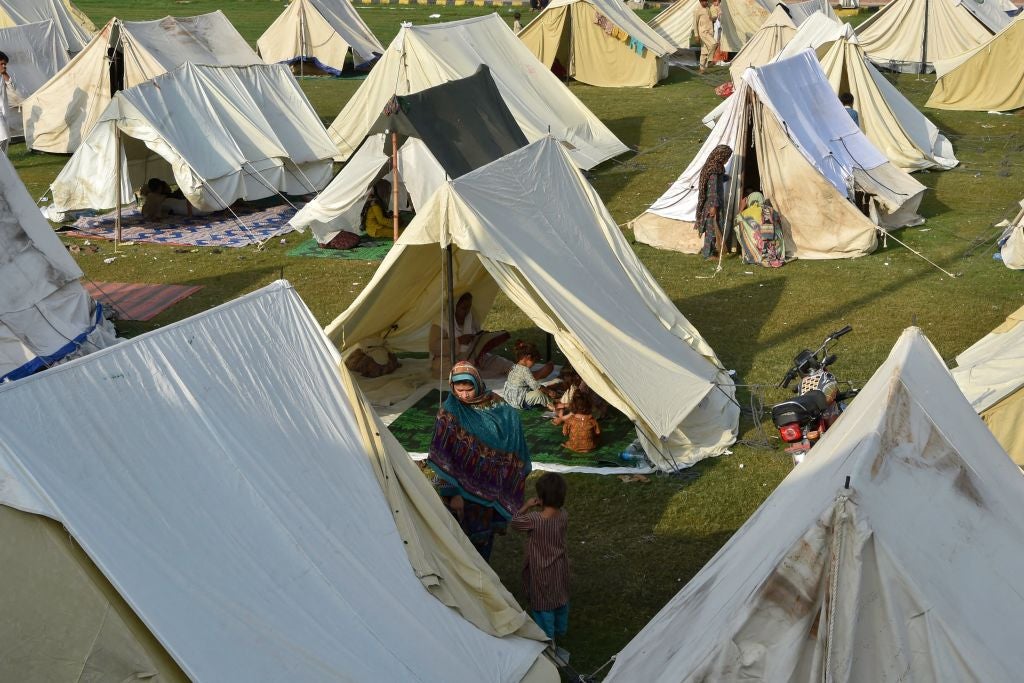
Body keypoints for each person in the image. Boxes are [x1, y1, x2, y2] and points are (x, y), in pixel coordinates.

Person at [428, 361, 532, 561]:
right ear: (452, 387)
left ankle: (483, 580)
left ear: (478, 384)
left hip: (489, 488)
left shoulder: (495, 404)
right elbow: (442, 457)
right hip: (458, 492)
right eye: (460, 390)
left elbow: (510, 419)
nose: (465, 395)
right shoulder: (449, 412)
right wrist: (452, 493)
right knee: (459, 540)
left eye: (469, 389)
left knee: (483, 539)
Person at [511, 472, 569, 641]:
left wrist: (527, 506)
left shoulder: (534, 519)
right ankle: (560, 630)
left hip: (541, 570)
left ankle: (546, 639)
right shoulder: (564, 515)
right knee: (560, 599)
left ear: (541, 498)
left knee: (543, 605)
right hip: (560, 567)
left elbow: (515, 522)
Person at [429, 292, 513, 377]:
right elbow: (434, 346)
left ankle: (514, 370)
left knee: (500, 362)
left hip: (472, 355)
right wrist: (459, 341)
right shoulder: (441, 321)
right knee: (451, 369)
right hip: (449, 359)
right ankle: (477, 374)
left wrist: (481, 339)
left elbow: (477, 336)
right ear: (454, 307)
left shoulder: (470, 316)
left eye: (469, 307)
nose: (467, 311)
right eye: (463, 308)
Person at [695, 144, 732, 258]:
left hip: (713, 203)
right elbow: (713, 189)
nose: (726, 160)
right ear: (721, 156)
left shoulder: (714, 167)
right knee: (711, 229)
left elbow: (718, 180)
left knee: (712, 228)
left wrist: (727, 177)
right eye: (726, 157)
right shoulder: (714, 169)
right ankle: (708, 254)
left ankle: (710, 251)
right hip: (712, 203)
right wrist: (713, 206)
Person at [735, 190, 785, 268]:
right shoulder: (772, 210)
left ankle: (756, 254)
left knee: (741, 226)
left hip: (759, 248)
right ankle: (774, 254)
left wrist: (741, 208)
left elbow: (737, 222)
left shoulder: (747, 212)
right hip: (776, 249)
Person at [504, 341, 555, 411]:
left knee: (536, 389)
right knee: (538, 394)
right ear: (528, 358)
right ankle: (550, 405)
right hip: (519, 401)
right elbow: (536, 386)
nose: (533, 365)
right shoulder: (525, 370)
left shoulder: (514, 366)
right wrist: (548, 391)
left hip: (509, 398)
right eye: (534, 362)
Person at [692, 0, 717, 74]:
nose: (705, 3)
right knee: (714, 43)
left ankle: (702, 69)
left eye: (706, 1)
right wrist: (696, 35)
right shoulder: (697, 9)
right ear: (700, 1)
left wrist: (714, 18)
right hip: (703, 32)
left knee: (704, 52)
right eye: (704, 1)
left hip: (710, 32)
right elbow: (694, 23)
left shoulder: (710, 6)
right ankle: (709, 60)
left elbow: (714, 15)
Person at [0, 51, 16, 155]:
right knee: (3, 137)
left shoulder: (2, 77)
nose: (4, 66)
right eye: (1, 64)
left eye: (5, 64)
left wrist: (5, 73)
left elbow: (13, 88)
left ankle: (4, 165)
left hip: (4, 113)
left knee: (5, 140)